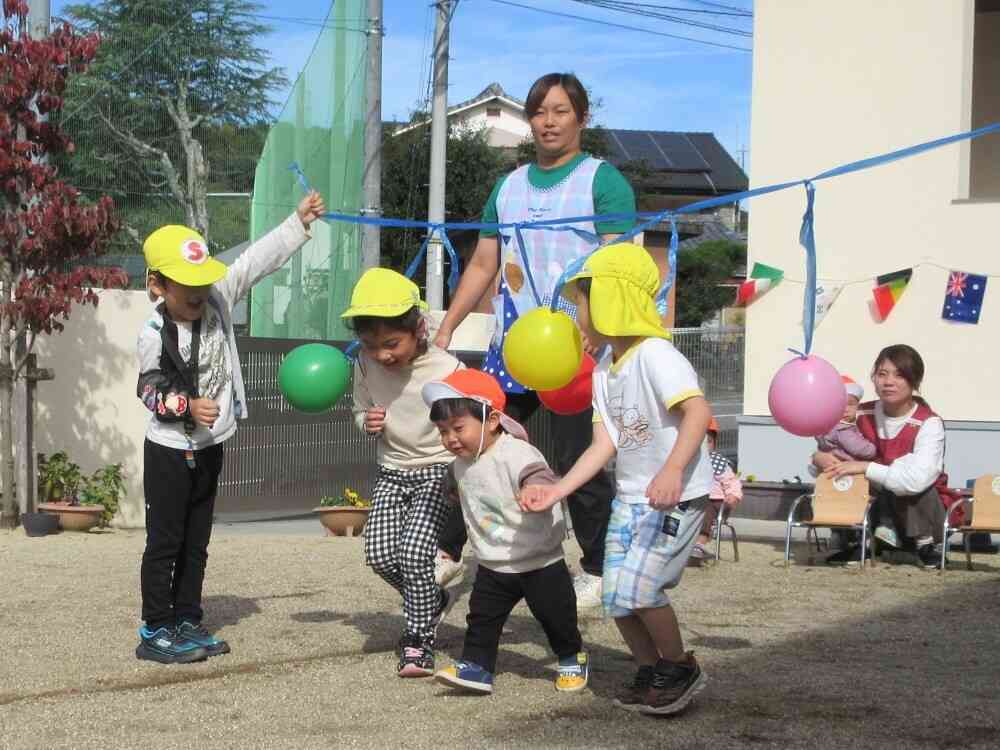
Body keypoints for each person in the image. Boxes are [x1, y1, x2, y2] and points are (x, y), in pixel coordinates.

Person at [432, 72, 637, 608]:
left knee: (579, 459)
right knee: (474, 437)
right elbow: (483, 262)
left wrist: (601, 331)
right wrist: (449, 324)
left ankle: (595, 567)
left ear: (581, 118)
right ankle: (450, 552)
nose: (548, 121)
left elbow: (621, 265)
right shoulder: (509, 185)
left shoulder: (603, 180)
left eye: (560, 111)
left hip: (578, 347)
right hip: (514, 347)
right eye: (540, 111)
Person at [520, 242, 712, 716]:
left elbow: (697, 412)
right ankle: (649, 669)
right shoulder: (605, 370)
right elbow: (604, 443)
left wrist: (671, 470)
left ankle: (680, 666)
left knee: (644, 590)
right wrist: (560, 489)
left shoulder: (655, 356)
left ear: (612, 298)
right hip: (630, 497)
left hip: (675, 496)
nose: (577, 314)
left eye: (582, 301)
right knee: (615, 595)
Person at [137, 190, 326, 664]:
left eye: (203, 281)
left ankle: (186, 619)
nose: (199, 292)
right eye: (186, 285)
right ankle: (155, 628)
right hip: (167, 450)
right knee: (166, 541)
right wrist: (185, 406)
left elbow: (254, 261)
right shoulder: (153, 334)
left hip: (209, 446)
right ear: (158, 285)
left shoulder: (216, 301)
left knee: (197, 540)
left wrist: (297, 223)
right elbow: (148, 390)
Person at [422, 369, 588, 695]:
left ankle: (571, 656)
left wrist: (536, 490)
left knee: (557, 617)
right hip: (493, 562)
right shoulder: (459, 465)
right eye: (443, 431)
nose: (450, 438)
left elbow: (538, 474)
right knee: (482, 619)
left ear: (492, 420)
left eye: (458, 428)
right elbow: (459, 490)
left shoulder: (516, 453)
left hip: (539, 560)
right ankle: (478, 667)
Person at [341, 268, 464, 677]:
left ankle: (417, 641)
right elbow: (359, 409)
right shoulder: (362, 363)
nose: (382, 355)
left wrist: (463, 479)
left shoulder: (449, 368)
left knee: (414, 554)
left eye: (391, 343)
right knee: (378, 555)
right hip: (391, 470)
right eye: (371, 344)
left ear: (418, 329)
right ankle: (431, 600)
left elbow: (469, 424)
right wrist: (366, 422)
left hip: (437, 472)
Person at [817, 345, 957, 568]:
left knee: (908, 481)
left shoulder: (929, 423)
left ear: (915, 380)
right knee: (847, 477)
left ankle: (926, 545)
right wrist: (819, 457)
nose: (888, 382)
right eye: (882, 374)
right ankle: (865, 541)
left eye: (899, 375)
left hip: (925, 513)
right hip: (880, 506)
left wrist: (865, 466)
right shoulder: (859, 413)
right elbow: (831, 441)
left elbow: (916, 480)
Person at [812, 375, 879, 553]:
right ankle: (857, 539)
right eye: (840, 405)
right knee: (857, 506)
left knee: (838, 505)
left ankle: (840, 537)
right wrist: (873, 447)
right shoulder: (844, 430)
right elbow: (863, 450)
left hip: (834, 475)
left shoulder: (825, 427)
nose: (846, 409)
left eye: (851, 404)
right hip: (850, 474)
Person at [690, 417, 742, 564]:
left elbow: (732, 482)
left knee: (705, 508)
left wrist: (733, 495)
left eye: (709, 442)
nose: (705, 446)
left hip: (717, 502)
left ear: (715, 444)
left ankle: (700, 543)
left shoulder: (718, 462)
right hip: (694, 499)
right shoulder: (689, 461)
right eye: (701, 442)